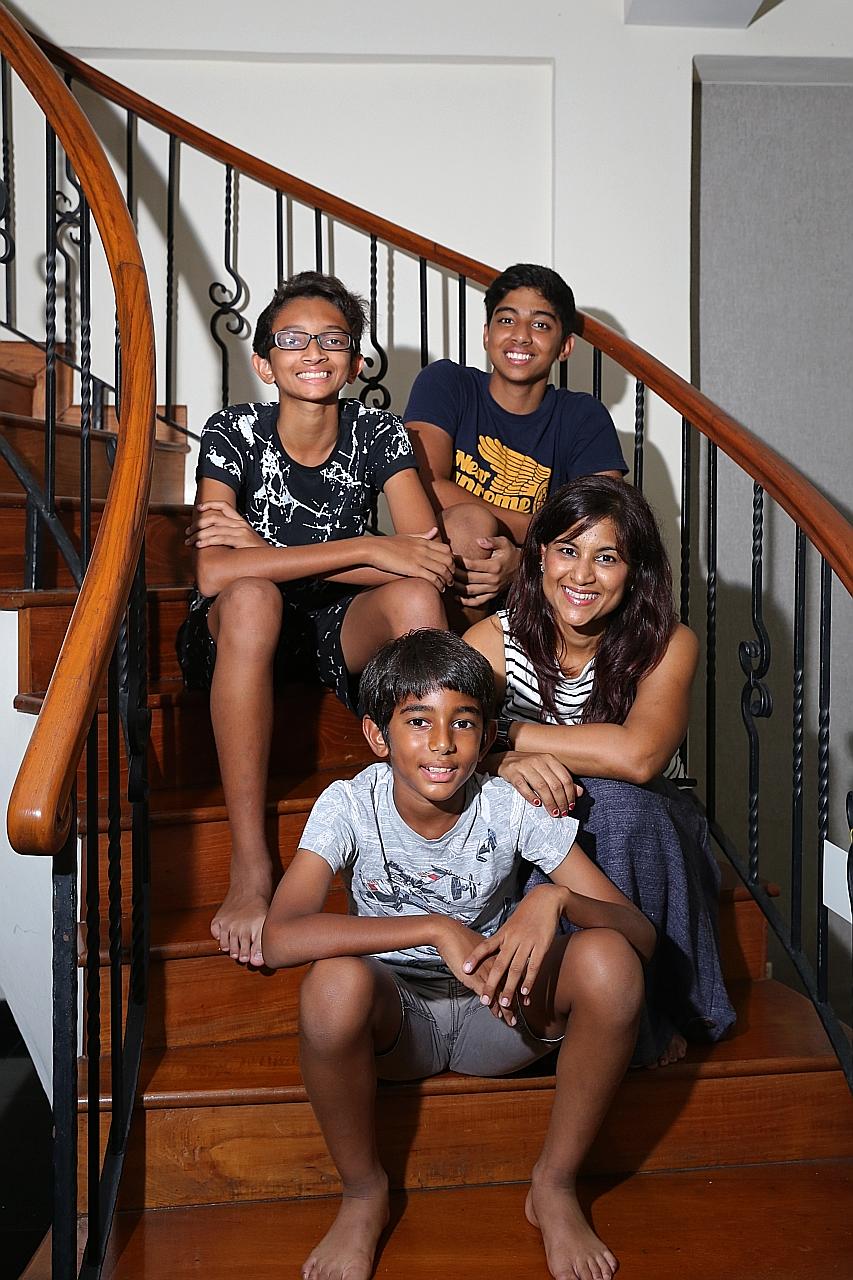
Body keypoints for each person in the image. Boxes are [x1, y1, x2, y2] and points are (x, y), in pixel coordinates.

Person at [261, 629, 655, 1280]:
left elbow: (636, 935)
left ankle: (553, 1185)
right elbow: (281, 938)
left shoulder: (508, 805)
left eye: (462, 722)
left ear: (487, 732)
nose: (441, 743)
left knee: (608, 962)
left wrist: (554, 901)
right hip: (398, 1025)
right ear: (376, 737)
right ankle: (363, 1193)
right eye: (417, 722)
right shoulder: (350, 804)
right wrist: (436, 927)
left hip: (496, 1011)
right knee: (332, 985)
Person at [178, 272, 454, 967]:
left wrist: (268, 553)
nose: (314, 351)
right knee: (249, 597)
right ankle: (248, 863)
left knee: (417, 603)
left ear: (355, 362)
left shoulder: (377, 431)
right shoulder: (233, 431)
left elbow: (425, 562)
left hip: (334, 628)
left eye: (333, 339)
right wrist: (366, 546)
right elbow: (213, 572)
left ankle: (440, 828)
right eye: (293, 339)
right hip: (235, 636)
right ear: (264, 361)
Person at [465, 475, 736, 1067]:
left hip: (653, 829)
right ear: (539, 556)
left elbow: (638, 757)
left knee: (615, 805)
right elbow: (446, 747)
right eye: (567, 550)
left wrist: (508, 740)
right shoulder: (491, 639)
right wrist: (502, 766)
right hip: (542, 832)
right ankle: (570, 1009)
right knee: (546, 818)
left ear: (634, 572)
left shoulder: (668, 644)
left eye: (606, 558)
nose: (581, 576)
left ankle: (653, 1010)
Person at [404, 263, 627, 624]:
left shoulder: (583, 415)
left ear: (565, 346)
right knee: (468, 525)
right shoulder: (446, 384)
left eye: (540, 325)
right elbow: (419, 484)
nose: (521, 336)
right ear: (486, 334)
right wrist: (536, 527)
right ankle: (460, 669)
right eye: (507, 320)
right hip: (448, 576)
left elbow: (603, 525)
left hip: (544, 588)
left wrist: (525, 562)